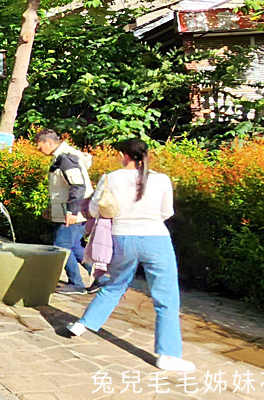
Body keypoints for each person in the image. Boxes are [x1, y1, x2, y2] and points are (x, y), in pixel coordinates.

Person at [62, 138, 195, 373]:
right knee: (166, 297)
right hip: (156, 238)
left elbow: (94, 209)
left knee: (115, 285)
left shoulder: (110, 178)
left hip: (121, 237)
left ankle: (83, 324)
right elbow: (166, 212)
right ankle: (167, 355)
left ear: (124, 155)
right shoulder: (161, 179)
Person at [36, 129, 93, 294]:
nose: (38, 150)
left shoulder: (65, 158)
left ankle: (76, 284)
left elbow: (77, 185)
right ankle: (102, 278)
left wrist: (72, 211)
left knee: (61, 246)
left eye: (39, 146)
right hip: (75, 212)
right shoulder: (62, 157)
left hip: (72, 214)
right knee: (74, 247)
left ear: (49, 143)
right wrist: (51, 209)